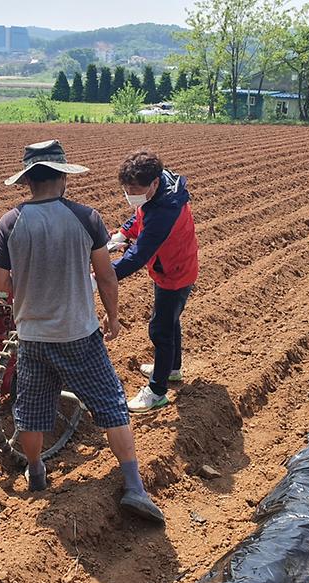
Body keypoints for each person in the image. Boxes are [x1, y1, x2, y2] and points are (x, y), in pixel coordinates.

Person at [0, 139, 164, 523]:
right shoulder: (86, 218)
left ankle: (37, 473)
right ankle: (134, 487)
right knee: (111, 404)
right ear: (63, 177)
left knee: (30, 412)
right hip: (79, 335)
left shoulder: (10, 222)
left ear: (28, 181)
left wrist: (27, 291)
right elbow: (106, 276)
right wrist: (113, 318)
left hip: (32, 336)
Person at [109, 150, 199, 413]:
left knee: (160, 330)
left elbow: (138, 256)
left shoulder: (165, 210)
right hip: (172, 267)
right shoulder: (160, 192)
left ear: (154, 183)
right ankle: (172, 369)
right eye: (126, 189)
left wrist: (101, 277)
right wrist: (122, 234)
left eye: (135, 190)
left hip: (175, 273)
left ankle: (157, 391)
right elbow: (142, 213)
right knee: (170, 321)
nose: (130, 194)